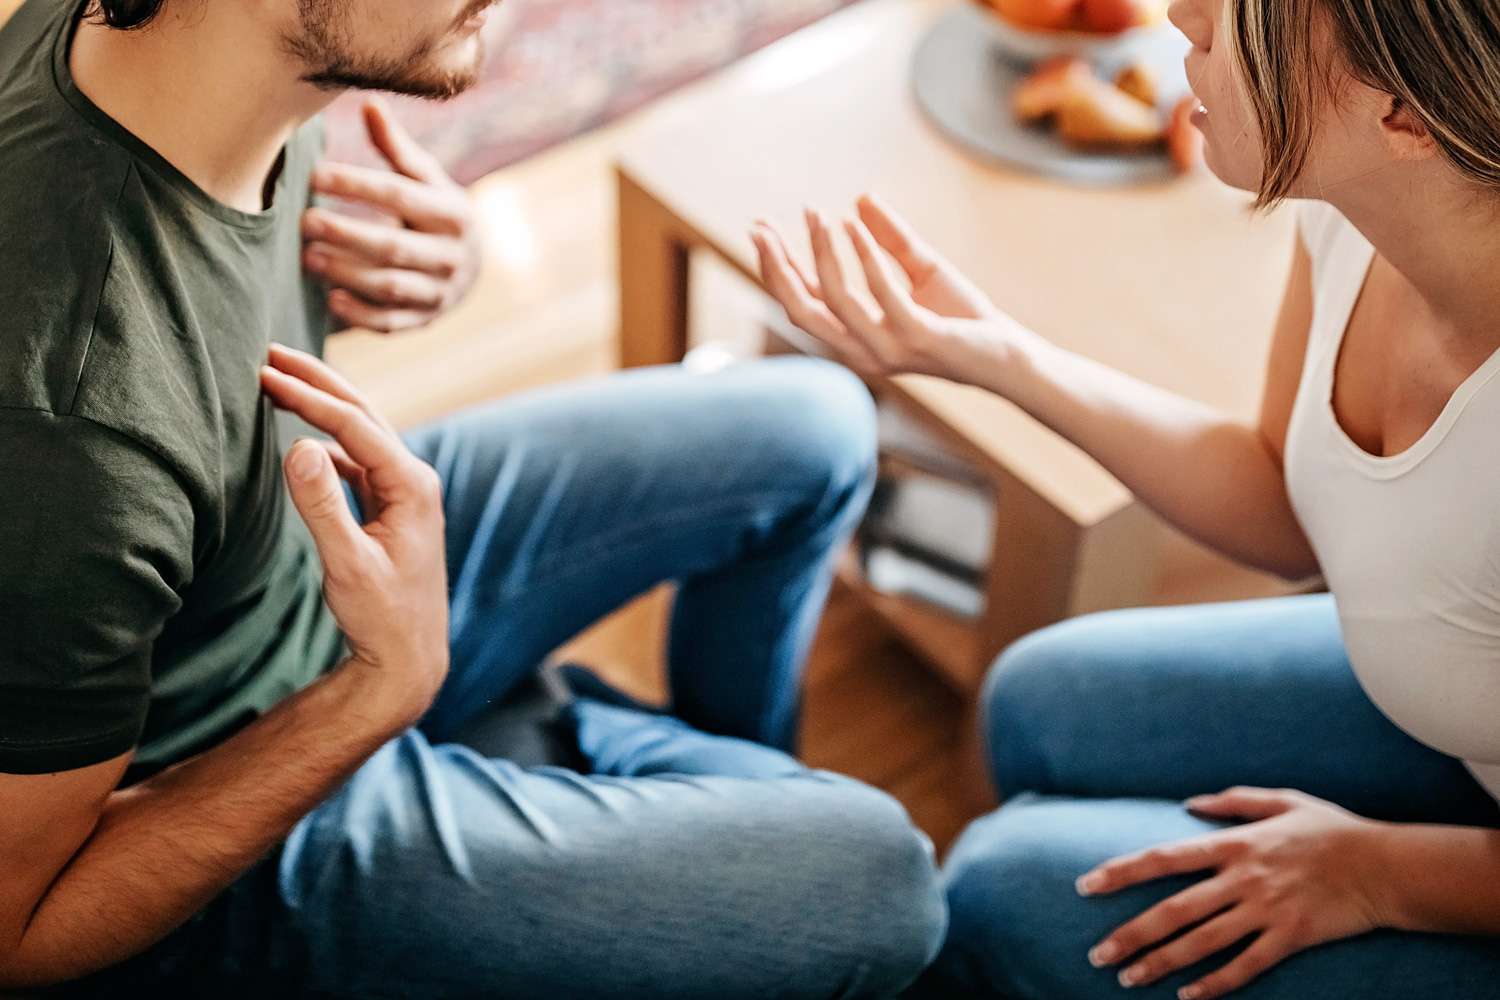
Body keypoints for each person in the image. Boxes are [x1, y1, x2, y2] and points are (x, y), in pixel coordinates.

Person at [0, 0, 948, 994]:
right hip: (227, 796)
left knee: (820, 427)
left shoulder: (172, 58)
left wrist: (438, 266)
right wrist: (383, 691)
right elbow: (17, 935)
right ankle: (582, 757)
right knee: (886, 884)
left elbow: (194, 340)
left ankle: (665, 793)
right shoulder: (68, 433)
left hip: (300, 570)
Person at [753, 0, 1500, 995]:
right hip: (1458, 717)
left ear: (1403, 109)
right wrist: (996, 355)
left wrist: (1379, 872)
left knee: (1000, 890)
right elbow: (1282, 508)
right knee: (1032, 698)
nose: (1182, 13)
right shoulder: (1356, 205)